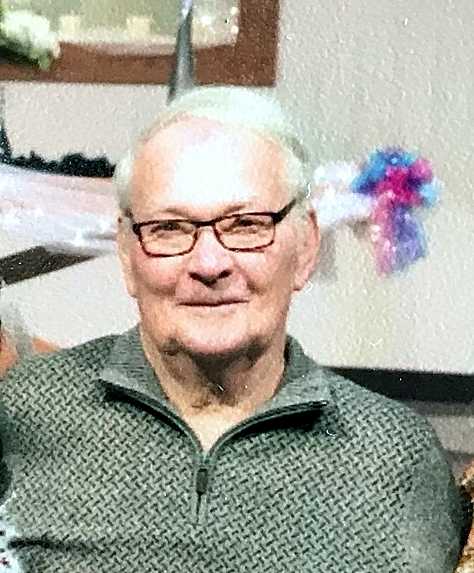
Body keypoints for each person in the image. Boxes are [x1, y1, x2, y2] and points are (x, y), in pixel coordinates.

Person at [0, 85, 470, 573]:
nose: (209, 264)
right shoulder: (21, 410)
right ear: (126, 253)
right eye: (170, 228)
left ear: (306, 246)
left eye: (246, 225)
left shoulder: (396, 457)